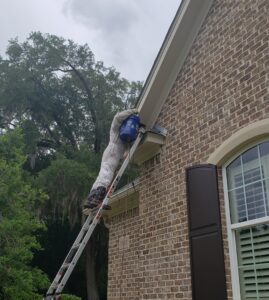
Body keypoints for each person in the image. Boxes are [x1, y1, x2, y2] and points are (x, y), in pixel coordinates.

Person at [83, 108, 139, 210]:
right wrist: (132, 111)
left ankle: (94, 200)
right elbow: (117, 117)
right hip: (111, 153)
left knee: (104, 177)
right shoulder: (116, 130)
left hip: (114, 158)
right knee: (105, 176)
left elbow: (126, 153)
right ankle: (94, 200)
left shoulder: (125, 141)